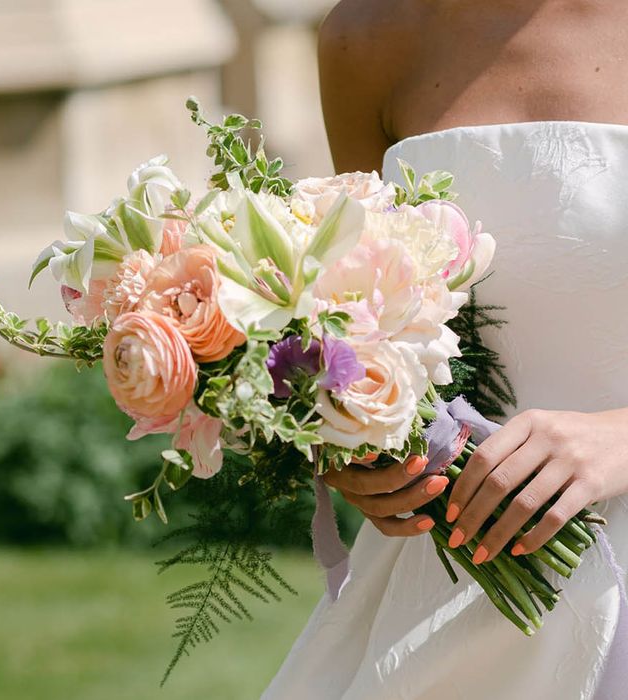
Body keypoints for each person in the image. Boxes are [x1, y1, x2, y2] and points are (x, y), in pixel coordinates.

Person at [263, 1, 628, 698]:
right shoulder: (367, 35)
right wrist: (362, 447)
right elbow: (369, 310)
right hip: (461, 574)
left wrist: (621, 439)